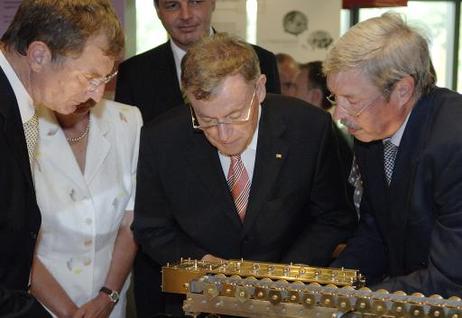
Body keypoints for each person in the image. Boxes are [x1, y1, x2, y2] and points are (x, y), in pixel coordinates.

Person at [133, 32, 357, 317]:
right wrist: (200, 263)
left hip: (290, 301)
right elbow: (151, 227)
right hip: (199, 304)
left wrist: (283, 276)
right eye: (206, 120)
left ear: (260, 89)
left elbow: (334, 217)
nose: (223, 134)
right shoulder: (161, 138)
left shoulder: (309, 128)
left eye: (236, 114)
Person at [0, 0, 125, 316]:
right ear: (39, 55)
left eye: (105, 79)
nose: (97, 95)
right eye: (90, 77)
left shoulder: (21, 104)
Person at [325, 12, 462, 297]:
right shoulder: (373, 131)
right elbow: (376, 234)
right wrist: (329, 286)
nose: (339, 115)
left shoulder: (454, 144)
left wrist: (356, 305)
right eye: (335, 98)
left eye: (352, 100)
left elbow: (451, 278)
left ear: (402, 90)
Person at [30, 101, 141, 316]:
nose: (92, 92)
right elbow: (13, 238)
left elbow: (131, 222)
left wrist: (108, 296)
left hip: (109, 303)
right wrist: (70, 312)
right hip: (38, 304)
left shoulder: (127, 120)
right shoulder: (23, 125)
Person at [115, 0, 280, 124]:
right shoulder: (134, 73)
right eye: (172, 5)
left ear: (213, 2)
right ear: (158, 11)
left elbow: (271, 133)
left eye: (195, 2)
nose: (185, 16)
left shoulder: (260, 60)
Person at [295, 61, 353, 213]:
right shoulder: (323, 135)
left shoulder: (322, 141)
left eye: (294, 88)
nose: (288, 94)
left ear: (315, 96)